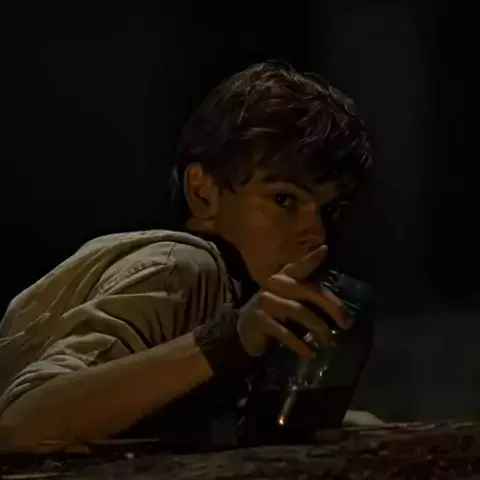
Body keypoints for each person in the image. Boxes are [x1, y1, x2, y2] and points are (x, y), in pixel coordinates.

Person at [0, 60, 378, 451]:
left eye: (328, 210)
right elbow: (20, 424)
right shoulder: (181, 266)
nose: (316, 234)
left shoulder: (241, 300)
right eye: (283, 199)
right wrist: (227, 340)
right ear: (203, 192)